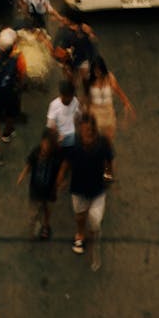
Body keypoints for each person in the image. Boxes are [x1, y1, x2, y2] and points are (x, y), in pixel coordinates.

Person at [57, 113, 114, 270]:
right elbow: (66, 163)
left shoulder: (103, 143)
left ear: (94, 130)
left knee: (95, 221)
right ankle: (80, 235)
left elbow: (108, 160)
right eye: (83, 131)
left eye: (89, 130)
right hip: (79, 189)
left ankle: (94, 244)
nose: (86, 134)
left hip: (97, 190)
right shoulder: (74, 145)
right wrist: (60, 180)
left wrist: (109, 173)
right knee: (80, 215)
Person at [0, 28, 27, 166]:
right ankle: (6, 134)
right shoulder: (19, 58)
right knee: (11, 114)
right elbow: (22, 76)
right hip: (12, 94)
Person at [17, 128, 62, 240]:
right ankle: (33, 225)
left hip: (50, 190)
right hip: (36, 189)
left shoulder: (56, 156)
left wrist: (60, 183)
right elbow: (29, 164)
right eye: (45, 143)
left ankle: (46, 225)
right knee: (33, 211)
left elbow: (61, 171)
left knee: (48, 208)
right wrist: (23, 174)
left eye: (49, 144)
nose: (46, 147)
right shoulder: (36, 152)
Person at [86, 55, 135, 145]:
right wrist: (88, 113)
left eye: (99, 69)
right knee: (95, 139)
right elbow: (88, 98)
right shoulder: (90, 80)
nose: (97, 72)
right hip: (95, 112)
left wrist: (126, 102)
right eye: (95, 70)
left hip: (108, 112)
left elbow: (118, 91)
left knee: (109, 140)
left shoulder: (110, 78)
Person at [53, 7, 98, 89]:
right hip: (71, 62)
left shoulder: (83, 28)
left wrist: (91, 34)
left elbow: (94, 41)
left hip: (83, 58)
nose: (63, 19)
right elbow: (59, 49)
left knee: (85, 80)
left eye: (65, 18)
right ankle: (75, 96)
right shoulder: (64, 31)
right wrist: (65, 65)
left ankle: (86, 94)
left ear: (71, 20)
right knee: (72, 83)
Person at [46, 80, 81, 154]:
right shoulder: (54, 105)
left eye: (71, 96)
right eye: (67, 96)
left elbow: (78, 117)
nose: (69, 99)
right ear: (62, 95)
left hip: (72, 137)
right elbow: (50, 125)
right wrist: (58, 135)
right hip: (59, 140)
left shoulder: (75, 102)